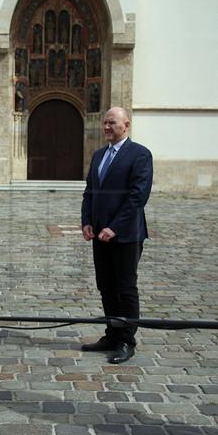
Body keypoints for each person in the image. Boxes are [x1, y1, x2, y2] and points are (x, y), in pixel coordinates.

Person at [80, 106, 153, 364]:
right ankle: (112, 334)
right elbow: (90, 192)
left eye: (112, 123)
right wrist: (87, 221)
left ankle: (126, 340)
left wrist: (116, 226)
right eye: (105, 123)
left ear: (126, 125)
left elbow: (138, 196)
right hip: (100, 234)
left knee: (125, 288)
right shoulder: (99, 155)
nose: (107, 127)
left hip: (126, 235)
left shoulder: (140, 155)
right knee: (106, 286)